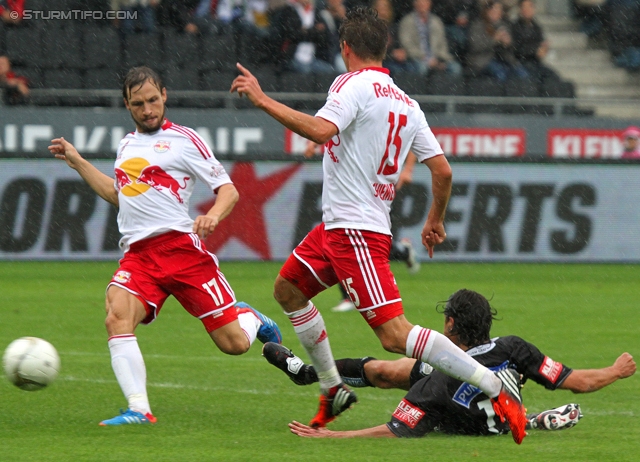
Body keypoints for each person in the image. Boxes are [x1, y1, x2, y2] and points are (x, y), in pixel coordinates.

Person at [230, 7, 528, 443]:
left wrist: (261, 99)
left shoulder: (350, 84)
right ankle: (332, 387)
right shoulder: (408, 103)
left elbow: (318, 129)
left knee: (394, 335)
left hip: (356, 231)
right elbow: (442, 170)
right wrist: (434, 220)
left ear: (345, 48)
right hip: (337, 228)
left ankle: (492, 385)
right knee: (288, 290)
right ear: (386, 49)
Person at [49, 67, 282, 426]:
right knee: (116, 316)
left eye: (153, 100)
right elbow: (117, 194)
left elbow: (229, 190)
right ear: (127, 105)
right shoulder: (126, 144)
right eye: (139, 104)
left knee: (233, 344)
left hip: (182, 252)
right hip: (139, 256)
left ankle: (251, 317)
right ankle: (138, 409)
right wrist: (78, 162)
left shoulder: (185, 140)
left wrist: (213, 217)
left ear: (165, 96)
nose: (148, 110)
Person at [262, 289, 636, 438]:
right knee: (388, 370)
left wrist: (335, 436)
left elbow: (395, 431)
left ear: (451, 324)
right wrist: (615, 371)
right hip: (498, 415)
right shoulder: (514, 348)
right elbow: (576, 380)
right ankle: (528, 418)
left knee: (387, 369)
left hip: (461, 415)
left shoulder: (436, 383)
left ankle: (307, 372)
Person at [467, 0, 528, 82]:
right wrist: (494, 39)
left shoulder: (503, 25)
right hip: (483, 61)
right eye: (494, 9)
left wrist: (507, 43)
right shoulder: (478, 25)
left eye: (499, 9)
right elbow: (475, 46)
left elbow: (512, 50)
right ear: (487, 11)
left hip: (503, 60)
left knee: (522, 74)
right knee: (501, 74)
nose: (496, 12)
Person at [397, 0, 462, 76]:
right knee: (422, 67)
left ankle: (444, 87)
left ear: (430, 3)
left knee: (455, 68)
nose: (422, 4)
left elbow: (442, 44)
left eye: (425, 2)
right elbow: (406, 45)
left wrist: (438, 60)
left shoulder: (437, 21)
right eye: (419, 2)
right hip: (415, 59)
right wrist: (424, 57)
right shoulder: (407, 21)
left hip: (436, 58)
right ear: (414, 4)